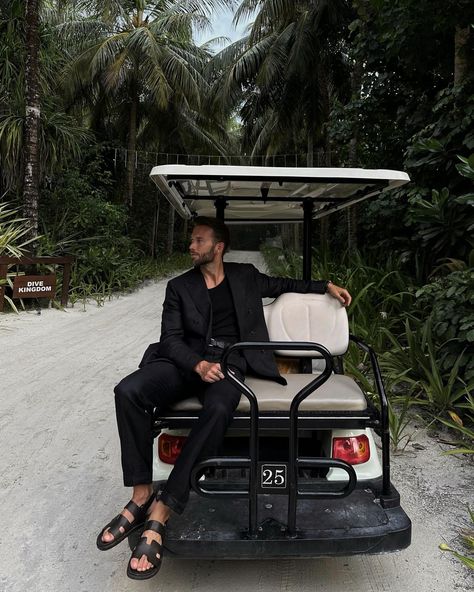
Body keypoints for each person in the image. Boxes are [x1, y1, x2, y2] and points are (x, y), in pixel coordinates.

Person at [97, 216, 352, 580]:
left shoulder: (246, 276)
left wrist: (326, 285)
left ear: (218, 247)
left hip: (233, 365)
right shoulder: (179, 287)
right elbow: (169, 339)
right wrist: (198, 365)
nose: (191, 246)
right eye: (191, 240)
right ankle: (140, 495)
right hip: (186, 363)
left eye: (198, 241)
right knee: (128, 391)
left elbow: (287, 283)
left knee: (219, 407)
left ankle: (163, 509)